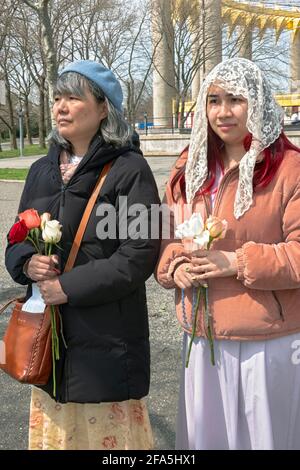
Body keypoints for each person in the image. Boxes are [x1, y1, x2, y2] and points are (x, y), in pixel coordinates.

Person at [5, 60, 161, 450]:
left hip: (107, 343)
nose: (60, 107)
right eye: (57, 98)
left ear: (104, 107)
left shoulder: (130, 170)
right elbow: (17, 236)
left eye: (73, 98)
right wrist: (26, 262)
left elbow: (139, 255)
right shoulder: (42, 170)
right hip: (50, 345)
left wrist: (67, 287)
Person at [155, 57, 300, 450]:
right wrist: (175, 265)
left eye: (236, 99)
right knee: (207, 440)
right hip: (200, 336)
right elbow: (166, 234)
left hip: (266, 339)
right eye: (213, 99)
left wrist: (236, 262)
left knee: (264, 441)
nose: (223, 111)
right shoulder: (190, 166)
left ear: (259, 103)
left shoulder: (290, 169)